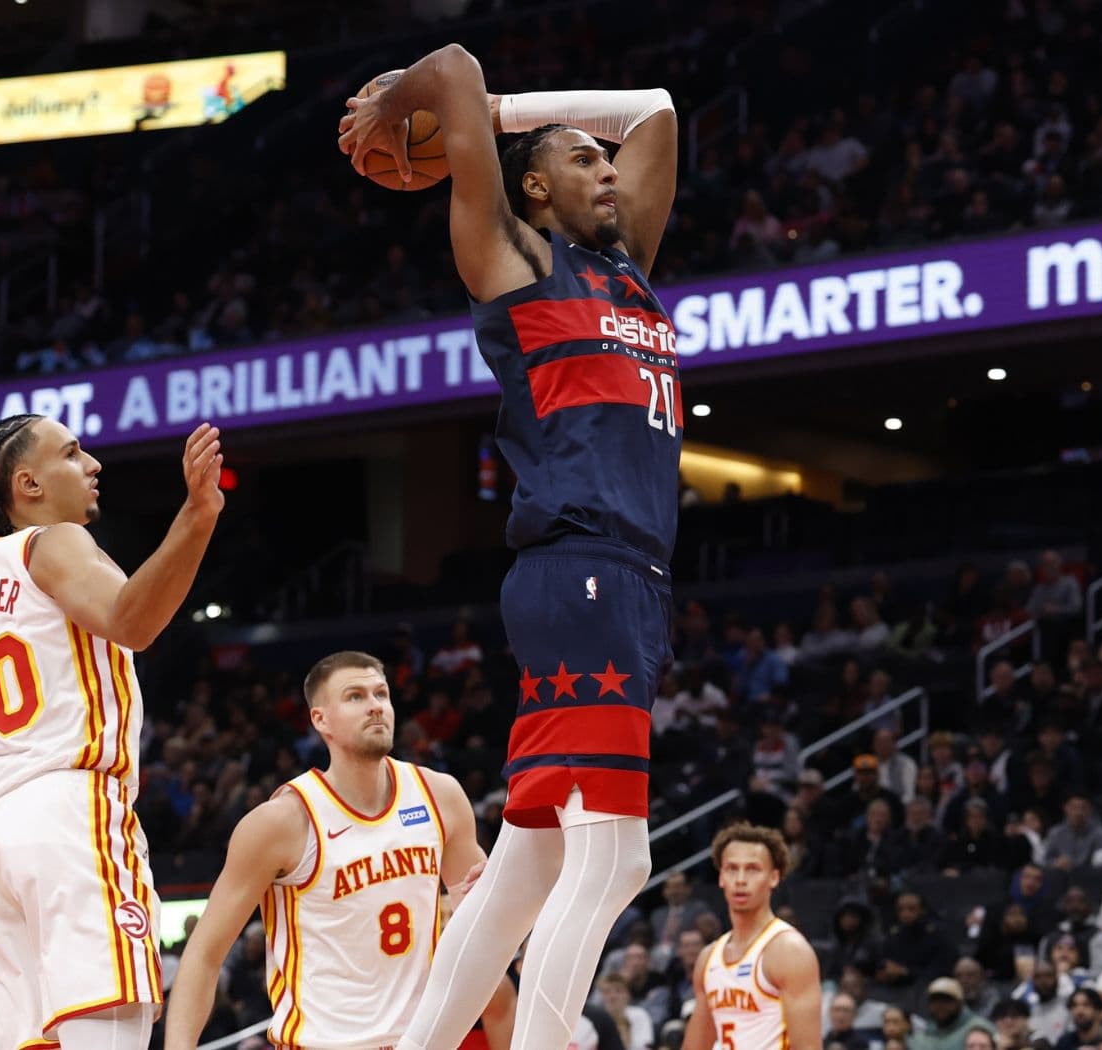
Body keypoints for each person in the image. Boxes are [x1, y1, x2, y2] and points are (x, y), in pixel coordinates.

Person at [340, 46, 680, 1050]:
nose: (611, 170)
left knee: (530, 860)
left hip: (618, 578)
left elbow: (654, 108)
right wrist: (425, 109)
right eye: (585, 161)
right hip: (583, 567)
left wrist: (500, 109)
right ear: (533, 185)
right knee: (616, 863)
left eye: (606, 161)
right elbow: (449, 63)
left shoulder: (627, 270)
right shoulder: (517, 264)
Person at [0, 415, 224, 1050]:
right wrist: (198, 513)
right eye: (73, 453)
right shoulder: (57, 542)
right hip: (71, 819)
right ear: (29, 484)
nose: (93, 463)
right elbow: (132, 621)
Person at [164, 651, 505, 1049]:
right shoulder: (282, 822)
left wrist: (499, 894)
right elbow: (204, 954)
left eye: (381, 693)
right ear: (320, 719)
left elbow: (487, 929)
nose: (375, 706)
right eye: (355, 696)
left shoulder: (439, 796)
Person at [682, 824, 821, 1050]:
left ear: (774, 878)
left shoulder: (789, 950)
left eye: (753, 869)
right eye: (732, 868)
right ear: (721, 878)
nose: (740, 879)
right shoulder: (708, 958)